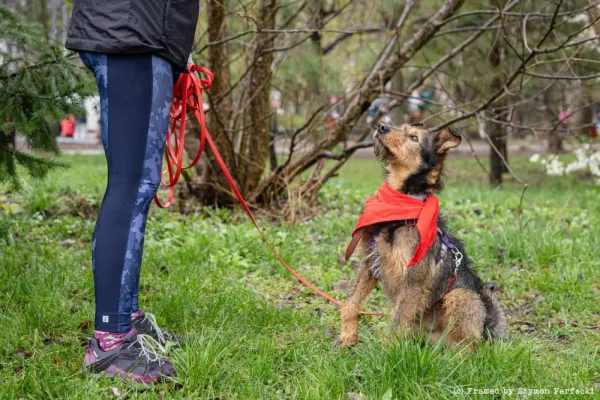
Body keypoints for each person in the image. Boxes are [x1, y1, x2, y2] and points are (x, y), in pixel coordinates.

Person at [66, 0, 200, 382]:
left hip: (142, 34)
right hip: (130, 32)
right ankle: (110, 341)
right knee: (130, 185)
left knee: (140, 184)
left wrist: (177, 47)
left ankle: (127, 317)